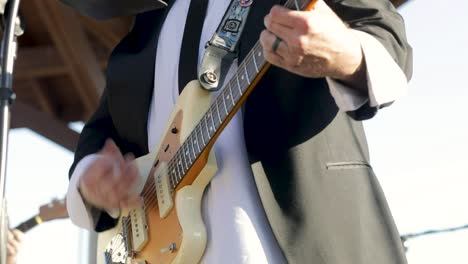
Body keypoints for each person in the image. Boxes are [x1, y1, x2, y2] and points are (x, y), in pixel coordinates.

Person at [63, 0, 413, 263]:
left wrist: (345, 54)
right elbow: (102, 129)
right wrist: (91, 181)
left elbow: (389, 42)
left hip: (304, 242)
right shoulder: (150, 19)